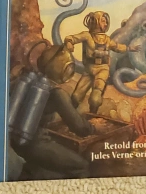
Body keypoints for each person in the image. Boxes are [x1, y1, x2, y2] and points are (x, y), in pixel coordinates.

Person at [10, 44, 94, 180]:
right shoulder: (56, 92)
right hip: (35, 145)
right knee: (81, 166)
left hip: (15, 143)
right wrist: (93, 128)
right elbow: (80, 128)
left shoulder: (27, 80)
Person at [64, 11, 137, 114]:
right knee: (76, 96)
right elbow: (71, 38)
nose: (105, 24)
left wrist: (129, 48)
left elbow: (117, 47)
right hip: (89, 69)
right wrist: (69, 43)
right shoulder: (87, 36)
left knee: (96, 97)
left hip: (102, 69)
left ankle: (92, 115)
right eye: (103, 21)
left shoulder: (107, 39)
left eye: (106, 21)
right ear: (96, 22)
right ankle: (70, 115)